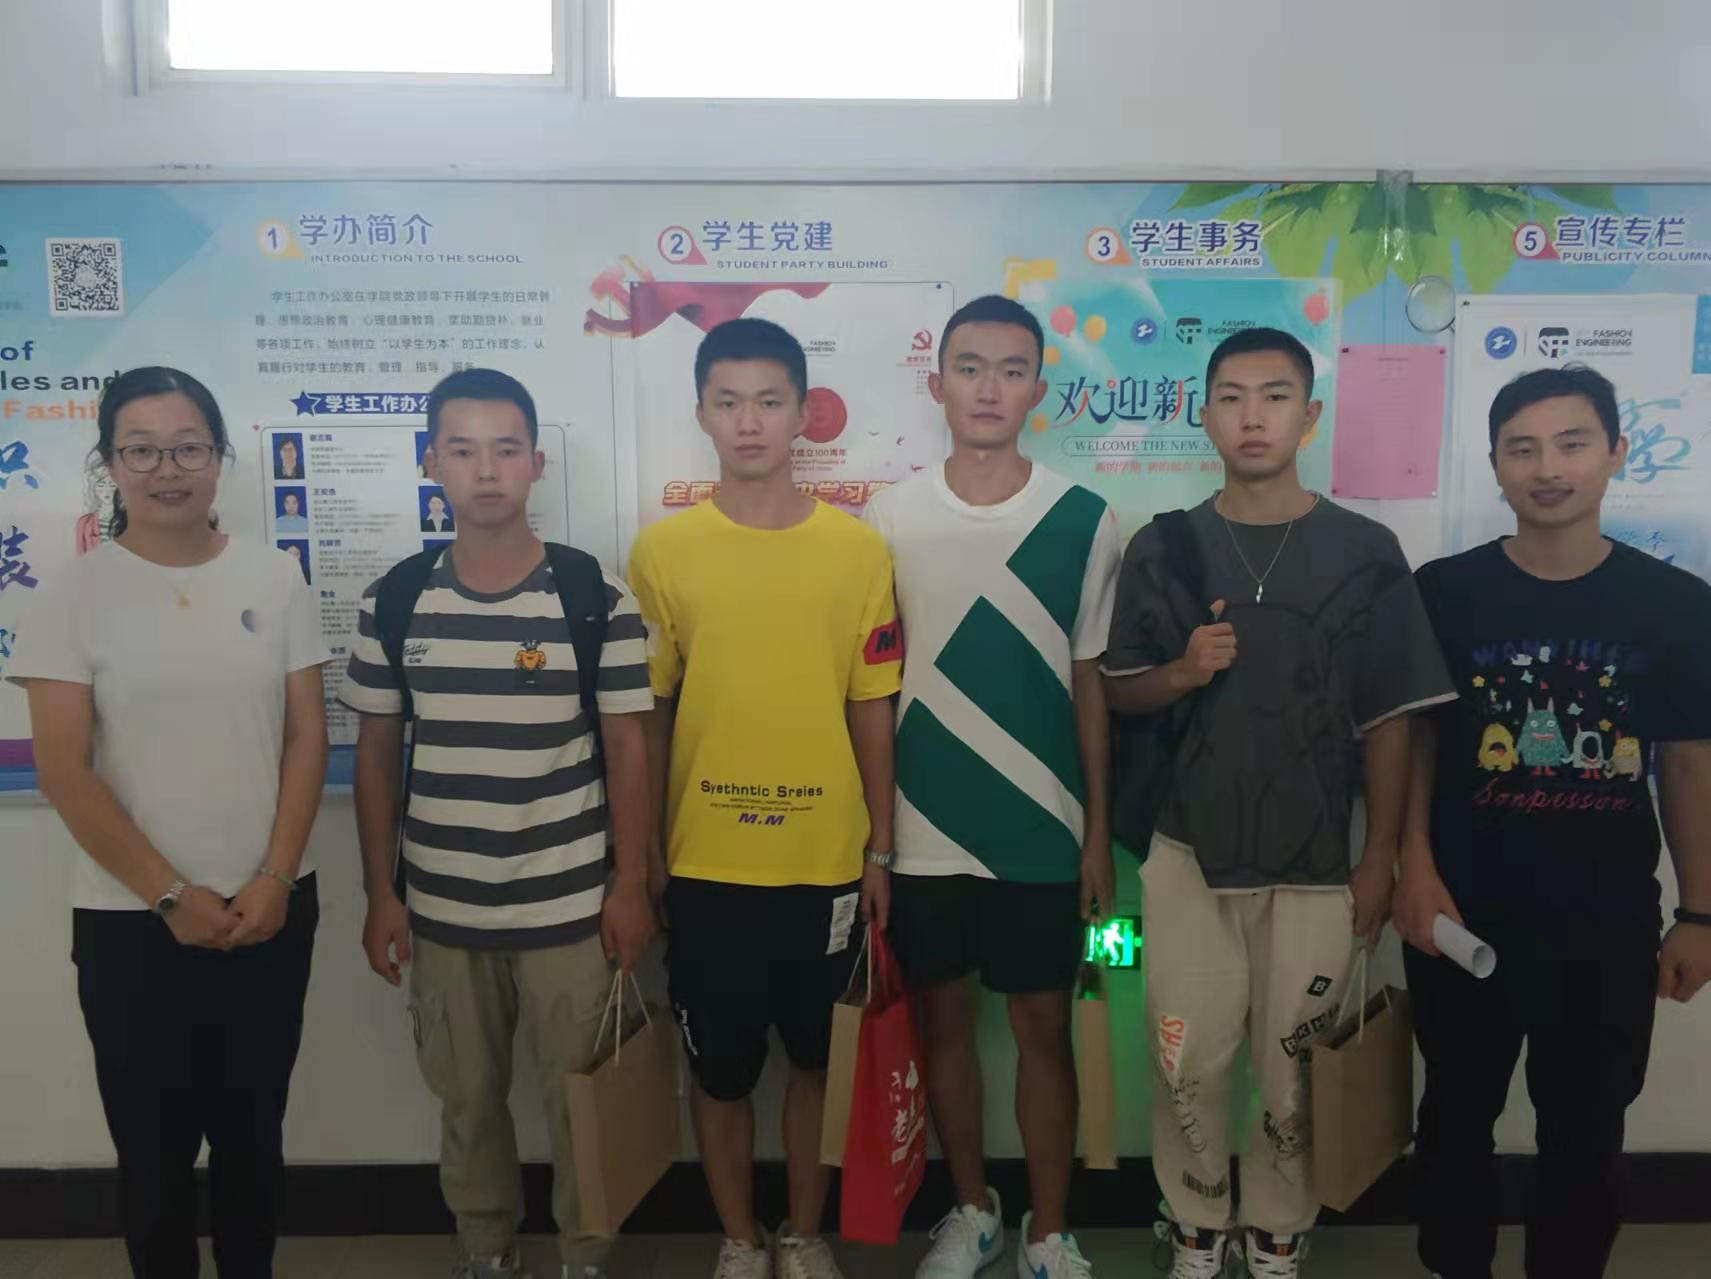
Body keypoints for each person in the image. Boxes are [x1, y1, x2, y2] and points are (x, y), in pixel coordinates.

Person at [1102, 327, 1454, 1279]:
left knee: (1294, 1065)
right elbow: (1119, 690)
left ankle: (1277, 1231)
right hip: (1188, 852)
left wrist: (1379, 857)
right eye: (1230, 396)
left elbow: (1390, 719)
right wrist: (1182, 671)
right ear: (1202, 413)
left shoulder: (1365, 552)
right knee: (1185, 1057)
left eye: (1273, 395)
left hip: (1315, 861)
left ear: (1310, 414)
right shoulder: (1163, 546)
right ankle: (1195, 1222)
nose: (1251, 415)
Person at [6, 366, 329, 1279]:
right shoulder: (72, 593)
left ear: (218, 456)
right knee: (152, 1157)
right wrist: (170, 894)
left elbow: (306, 735)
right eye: (141, 451)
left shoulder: (274, 573)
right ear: (110, 463)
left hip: (269, 907)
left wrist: (275, 875)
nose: (166, 469)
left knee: (253, 1142)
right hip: (131, 924)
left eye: (187, 447)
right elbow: (64, 770)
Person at [1397, 365, 1711, 1279]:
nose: (1547, 468)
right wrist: (1413, 866)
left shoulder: (1676, 604)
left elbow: (1687, 763)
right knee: (1452, 1120)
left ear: (1615, 452)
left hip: (1604, 922)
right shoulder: (1442, 591)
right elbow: (1414, 740)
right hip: (1463, 915)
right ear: (1494, 463)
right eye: (1522, 448)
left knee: (1586, 1131)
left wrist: (1698, 912)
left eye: (1571, 443)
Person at [341, 368, 656, 1279]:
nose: (486, 469)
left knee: (583, 1103)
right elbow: (376, 755)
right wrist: (380, 894)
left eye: (506, 448)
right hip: (443, 911)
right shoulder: (395, 599)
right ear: (431, 461)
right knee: (467, 1103)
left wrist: (631, 885)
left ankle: (586, 1257)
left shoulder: (593, 594)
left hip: (572, 909)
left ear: (536, 462)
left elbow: (628, 748)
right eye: (464, 449)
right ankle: (487, 1251)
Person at [628, 318, 901, 1279]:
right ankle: (740, 1239)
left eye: (768, 400)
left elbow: (872, 706)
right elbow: (650, 714)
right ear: (702, 412)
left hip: (825, 863)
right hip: (705, 865)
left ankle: (804, 1234)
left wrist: (878, 850)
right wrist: (645, 854)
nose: (748, 421)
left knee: (818, 1064)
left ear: (802, 414)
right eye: (728, 401)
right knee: (720, 1071)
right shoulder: (661, 552)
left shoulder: (856, 552)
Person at [862, 295, 1117, 1279]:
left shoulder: (1085, 519)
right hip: (919, 824)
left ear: (1038, 390)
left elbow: (1089, 682)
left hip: (1040, 825)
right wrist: (876, 839)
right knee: (939, 1023)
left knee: (1044, 1027)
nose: (988, 388)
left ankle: (1048, 1229)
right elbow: (872, 686)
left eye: (1012, 370)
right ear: (937, 384)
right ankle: (970, 1209)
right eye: (969, 367)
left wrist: (1094, 834)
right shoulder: (888, 517)